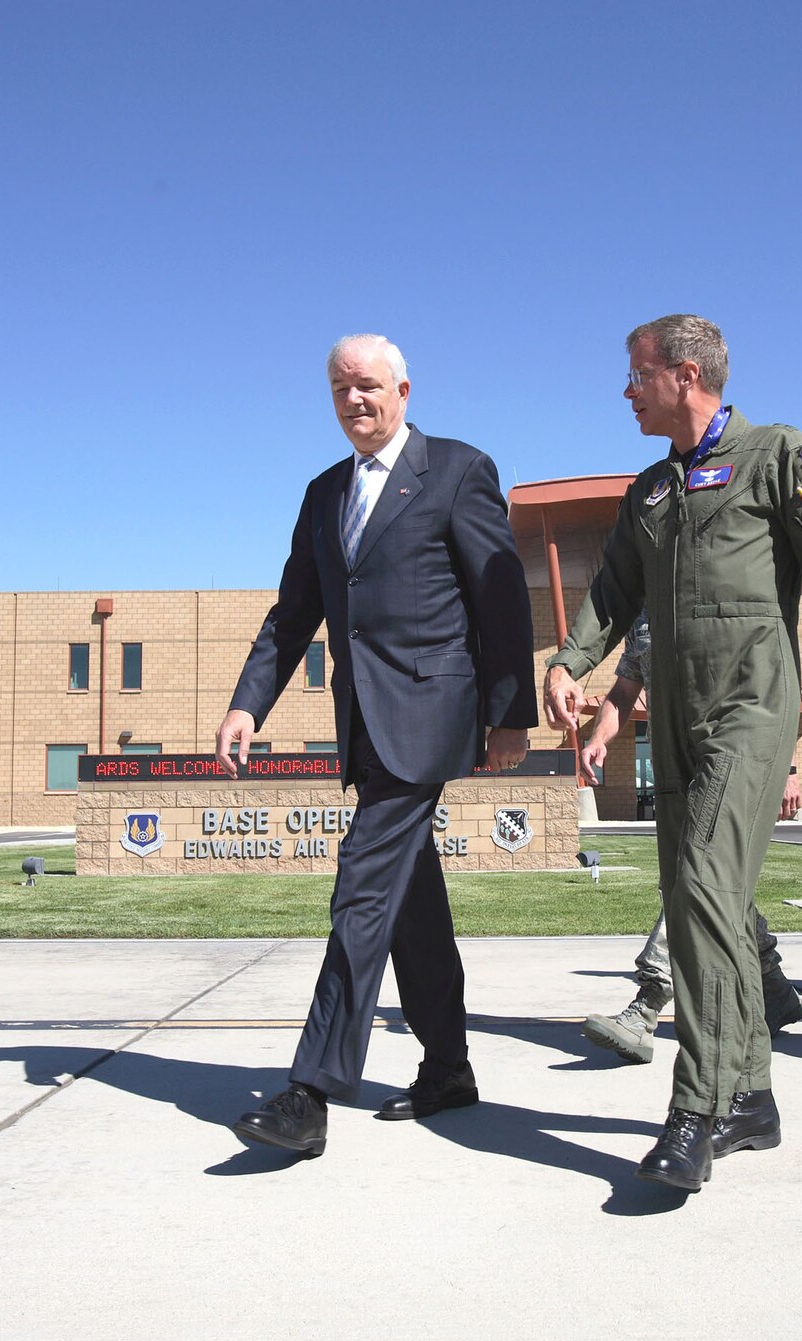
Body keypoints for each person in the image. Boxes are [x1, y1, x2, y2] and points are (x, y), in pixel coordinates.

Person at [545, 314, 802, 1192]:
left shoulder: (776, 453)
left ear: (686, 374)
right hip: (675, 717)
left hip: (751, 703)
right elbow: (615, 594)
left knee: (703, 885)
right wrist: (569, 661)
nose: (627, 391)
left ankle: (695, 1108)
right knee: (714, 907)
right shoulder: (650, 492)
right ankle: (752, 1097)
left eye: (638, 374)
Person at [218, 334, 536, 1158]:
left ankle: (311, 1090)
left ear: (401, 388)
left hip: (430, 715)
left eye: (366, 385)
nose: (353, 399)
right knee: (406, 902)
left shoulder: (459, 470)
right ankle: (449, 1066)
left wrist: (510, 716)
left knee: (360, 888)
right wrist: (249, 703)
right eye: (338, 388)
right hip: (362, 723)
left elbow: (499, 600)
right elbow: (295, 612)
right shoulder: (324, 492)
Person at [578, 612, 802, 1064]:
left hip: (732, 761)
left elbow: (772, 678)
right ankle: (774, 990)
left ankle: (647, 1005)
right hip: (676, 769)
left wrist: (789, 766)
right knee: (717, 884)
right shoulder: (643, 610)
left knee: (694, 878)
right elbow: (626, 688)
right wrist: (598, 738)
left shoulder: (720, 585)